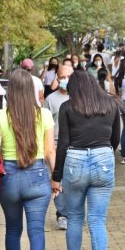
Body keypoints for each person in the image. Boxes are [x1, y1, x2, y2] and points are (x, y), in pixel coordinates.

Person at [54, 70, 121, 250]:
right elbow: (115, 139)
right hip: (103, 157)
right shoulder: (110, 105)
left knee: (74, 218)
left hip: (75, 160)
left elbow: (62, 143)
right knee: (97, 220)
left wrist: (56, 175)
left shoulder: (67, 107)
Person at [0, 69, 55, 250]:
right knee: (36, 229)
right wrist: (56, 178)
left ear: (9, 91)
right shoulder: (44, 115)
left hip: (9, 176)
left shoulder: (1, 116)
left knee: (13, 229)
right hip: (38, 174)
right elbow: (50, 151)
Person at [44, 63, 73, 230]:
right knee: (57, 180)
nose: (64, 80)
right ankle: (62, 214)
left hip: (75, 146)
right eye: (61, 77)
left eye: (67, 77)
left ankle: (74, 212)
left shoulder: (79, 97)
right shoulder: (50, 100)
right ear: (57, 78)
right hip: (54, 146)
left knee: (74, 182)